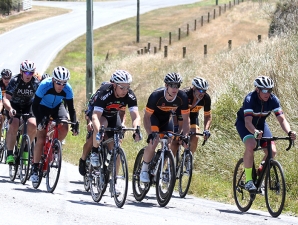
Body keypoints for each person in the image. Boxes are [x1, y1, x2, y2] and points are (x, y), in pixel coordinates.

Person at [235, 76, 296, 191]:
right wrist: (255, 132)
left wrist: (289, 131)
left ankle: (260, 174)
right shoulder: (250, 99)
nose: (267, 93)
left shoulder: (273, 100)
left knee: (272, 151)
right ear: (257, 89)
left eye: (270, 90)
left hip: (261, 125)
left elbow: (282, 120)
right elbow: (248, 123)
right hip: (245, 124)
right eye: (264, 90)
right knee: (251, 145)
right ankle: (248, 181)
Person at [30, 66, 79, 183]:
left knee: (64, 124)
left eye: (64, 83)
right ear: (53, 80)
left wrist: (75, 123)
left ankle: (56, 145)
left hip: (57, 106)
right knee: (41, 138)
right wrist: (40, 119)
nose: (61, 86)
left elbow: (71, 109)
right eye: (58, 83)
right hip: (42, 107)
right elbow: (34, 106)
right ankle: (35, 168)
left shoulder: (68, 89)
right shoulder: (44, 85)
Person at [140, 72, 190, 183]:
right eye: (172, 85)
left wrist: (185, 135)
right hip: (154, 118)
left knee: (168, 142)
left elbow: (186, 120)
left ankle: (159, 169)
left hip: (167, 119)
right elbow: (146, 117)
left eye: (177, 85)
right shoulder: (156, 96)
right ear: (166, 85)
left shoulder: (182, 97)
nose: (175, 88)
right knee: (154, 141)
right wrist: (150, 134)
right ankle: (144, 169)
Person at [89, 70, 141, 169]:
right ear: (114, 85)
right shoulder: (105, 92)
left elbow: (136, 116)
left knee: (117, 143)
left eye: (127, 87)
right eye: (122, 87)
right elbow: (95, 116)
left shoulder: (130, 95)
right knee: (102, 124)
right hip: (101, 114)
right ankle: (95, 151)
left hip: (113, 115)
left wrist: (136, 129)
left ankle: (113, 178)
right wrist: (99, 130)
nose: (125, 91)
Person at [78, 78, 126, 176]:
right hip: (97, 116)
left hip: (110, 117)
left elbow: (122, 112)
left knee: (115, 142)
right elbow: (90, 111)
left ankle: (112, 174)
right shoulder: (100, 94)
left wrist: (122, 125)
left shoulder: (119, 97)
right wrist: (90, 122)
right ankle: (83, 159)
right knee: (92, 139)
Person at [3, 60, 39, 164]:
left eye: (31, 73)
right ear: (21, 71)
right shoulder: (15, 81)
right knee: (14, 123)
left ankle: (25, 150)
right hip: (14, 105)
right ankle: (10, 153)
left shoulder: (36, 83)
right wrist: (10, 109)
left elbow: (40, 99)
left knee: (33, 124)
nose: (29, 75)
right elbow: (6, 98)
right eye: (27, 72)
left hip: (29, 105)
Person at [171, 77, 212, 156]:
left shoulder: (206, 98)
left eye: (204, 91)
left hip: (193, 117)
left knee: (195, 136)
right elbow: (173, 110)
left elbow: (208, 116)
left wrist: (206, 130)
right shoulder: (184, 94)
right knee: (176, 140)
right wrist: (176, 126)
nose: (202, 93)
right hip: (179, 115)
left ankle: (188, 158)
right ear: (194, 88)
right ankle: (169, 165)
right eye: (200, 90)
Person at [0, 69, 12, 140]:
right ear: (2, 78)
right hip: (1, 102)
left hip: (9, 102)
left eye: (8, 78)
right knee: (1, 118)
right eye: (5, 78)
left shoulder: (13, 83)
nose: (7, 80)